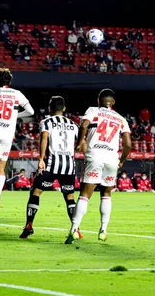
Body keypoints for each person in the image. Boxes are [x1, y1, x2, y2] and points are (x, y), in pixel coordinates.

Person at [65, 89, 132, 244]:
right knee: (106, 194)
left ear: (98, 100)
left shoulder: (93, 110)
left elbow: (84, 124)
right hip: (111, 158)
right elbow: (128, 144)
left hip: (95, 154)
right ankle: (103, 230)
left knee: (85, 194)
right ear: (113, 102)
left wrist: (81, 140)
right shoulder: (121, 119)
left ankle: (74, 229)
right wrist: (121, 160)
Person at [20, 96, 79, 239]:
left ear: (49, 108)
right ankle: (76, 228)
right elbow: (80, 143)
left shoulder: (46, 122)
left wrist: (41, 159)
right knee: (69, 197)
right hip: (68, 165)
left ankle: (29, 225)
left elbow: (45, 137)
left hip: (52, 163)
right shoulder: (73, 124)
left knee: (36, 192)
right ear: (64, 109)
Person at [0, 68, 34, 212]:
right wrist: (15, 116)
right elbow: (31, 112)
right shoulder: (17, 94)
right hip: (7, 134)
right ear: (10, 80)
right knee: (1, 168)